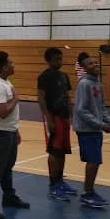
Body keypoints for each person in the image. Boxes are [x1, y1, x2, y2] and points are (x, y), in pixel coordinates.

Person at [0, 51, 30, 219]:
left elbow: (8, 114)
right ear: (3, 67)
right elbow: (2, 112)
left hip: (8, 130)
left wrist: (15, 130)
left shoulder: (5, 81)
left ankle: (9, 197)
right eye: (10, 62)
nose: (13, 64)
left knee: (7, 166)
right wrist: (16, 99)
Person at [74, 54, 110, 208]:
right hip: (86, 129)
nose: (95, 65)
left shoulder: (98, 84)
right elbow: (81, 110)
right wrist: (101, 125)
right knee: (93, 160)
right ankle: (87, 194)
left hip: (95, 128)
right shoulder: (84, 84)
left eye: (96, 62)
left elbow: (102, 108)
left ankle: (89, 191)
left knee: (95, 161)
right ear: (85, 68)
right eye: (91, 64)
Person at [37, 48, 77, 200]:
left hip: (64, 117)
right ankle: (53, 185)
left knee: (62, 151)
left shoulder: (64, 76)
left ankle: (60, 181)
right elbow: (41, 98)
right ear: (48, 60)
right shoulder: (44, 77)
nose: (59, 62)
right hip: (54, 117)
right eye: (56, 59)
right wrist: (49, 119)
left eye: (60, 59)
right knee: (54, 151)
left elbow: (66, 96)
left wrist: (71, 114)